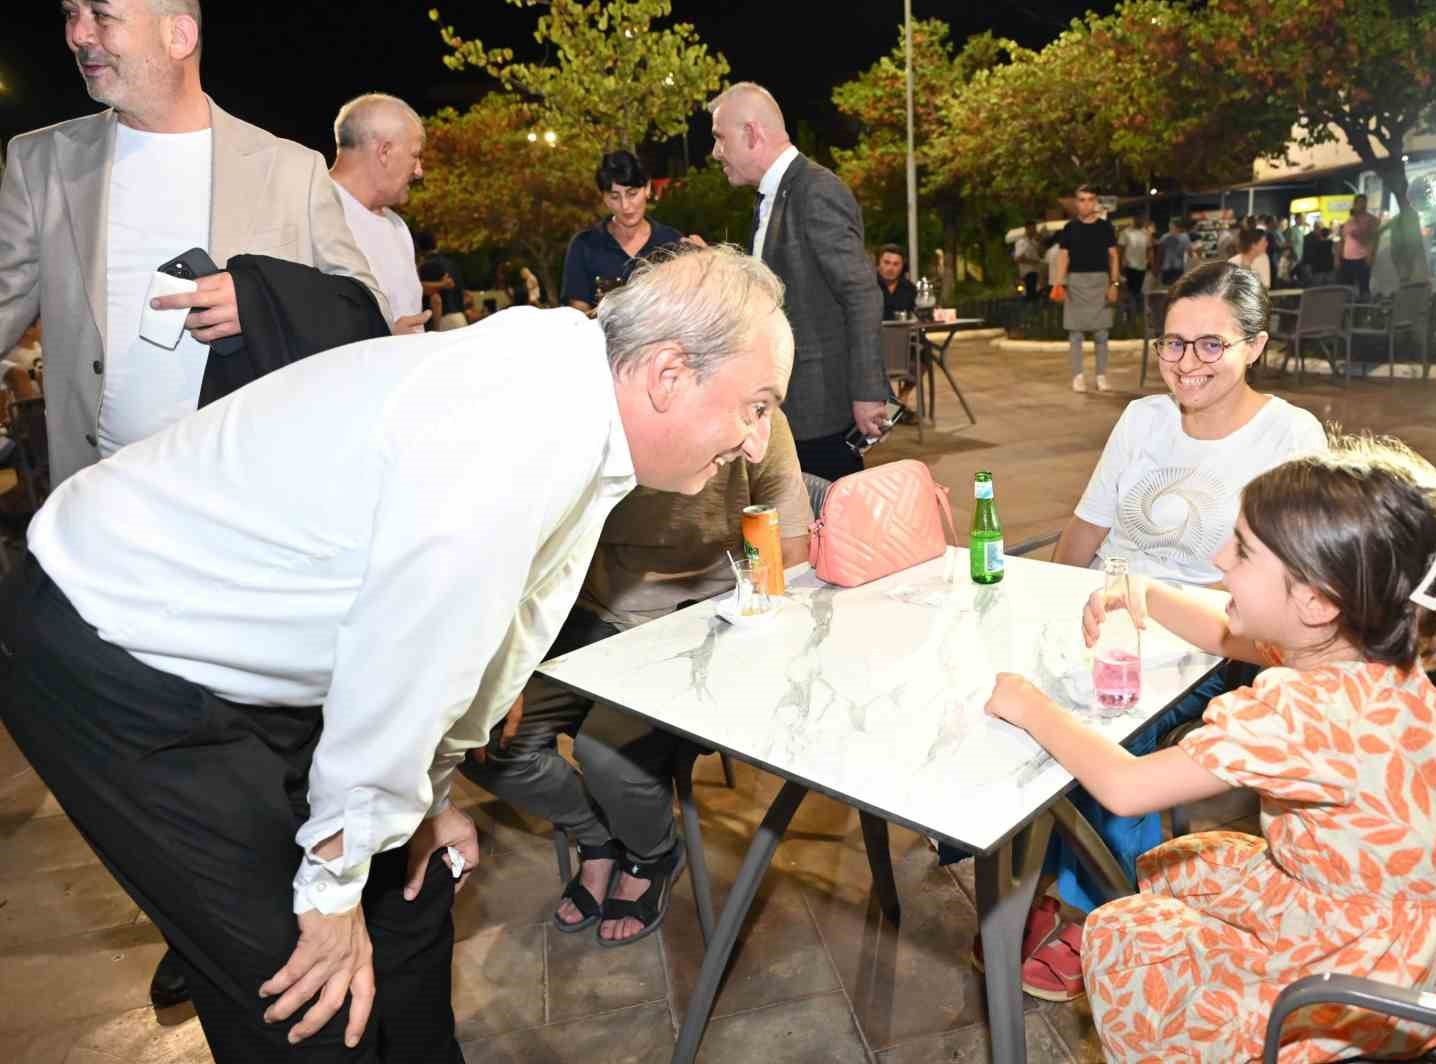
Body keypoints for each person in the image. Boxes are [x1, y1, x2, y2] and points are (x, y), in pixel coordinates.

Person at [0, 243, 794, 1063]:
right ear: (667, 374)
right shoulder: (525, 422)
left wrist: (427, 794)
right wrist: (333, 885)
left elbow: (488, 635)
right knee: (302, 992)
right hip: (113, 649)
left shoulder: (573, 385)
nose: (756, 441)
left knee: (415, 897)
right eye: (756, 406)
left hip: (261, 657)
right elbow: (409, 651)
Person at [987, 435, 1436, 1061]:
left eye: (1241, 549)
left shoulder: (1309, 712)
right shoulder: (1373, 650)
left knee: (1127, 932)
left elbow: (1126, 789)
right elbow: (1229, 633)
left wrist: (1028, 704)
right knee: (1186, 862)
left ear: (1318, 601)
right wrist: (1145, 593)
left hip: (1383, 976)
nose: (1218, 558)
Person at [1016, 263, 1325, 1003]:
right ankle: (1029, 870)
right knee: (1009, 687)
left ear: (1255, 345)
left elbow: (1276, 594)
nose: (1188, 365)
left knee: (1111, 727)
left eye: (1211, 346)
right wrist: (1054, 603)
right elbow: (1088, 526)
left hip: (1210, 638)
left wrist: (1151, 610)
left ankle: (1094, 912)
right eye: (1173, 345)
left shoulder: (1289, 434)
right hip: (1108, 613)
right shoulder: (1143, 419)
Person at [0, 0, 386, 489]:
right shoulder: (40, 162)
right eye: (69, 14)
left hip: (250, 496)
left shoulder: (290, 169)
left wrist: (260, 298)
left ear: (178, 36)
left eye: (101, 15)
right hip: (101, 498)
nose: (78, 34)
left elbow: (367, 308)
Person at [461, 409, 811, 947]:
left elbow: (793, 547)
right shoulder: (592, 418)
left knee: (607, 754)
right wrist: (499, 658)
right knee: (476, 737)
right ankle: (598, 839)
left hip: (703, 619)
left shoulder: (753, 416)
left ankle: (651, 854)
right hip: (588, 613)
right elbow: (520, 548)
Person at [711, 81, 890, 481]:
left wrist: (867, 391)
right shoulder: (773, 197)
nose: (716, 152)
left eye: (720, 139)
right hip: (791, 408)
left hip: (821, 412)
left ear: (752, 133)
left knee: (831, 529)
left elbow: (861, 293)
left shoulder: (816, 190)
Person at [328, 94, 430, 336]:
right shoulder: (311, 209)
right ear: (385, 151)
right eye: (415, 156)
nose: (419, 171)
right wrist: (380, 339)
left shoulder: (398, 226)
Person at [562, 150, 688, 313]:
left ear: (647, 188)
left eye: (632, 194)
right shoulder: (584, 246)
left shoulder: (672, 242)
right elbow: (577, 319)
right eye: (614, 197)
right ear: (604, 198)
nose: (625, 206)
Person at [1050, 185, 1120, 393]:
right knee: (1075, 335)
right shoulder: (1069, 228)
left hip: (1101, 282)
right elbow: (1063, 257)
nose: (1086, 203)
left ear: (1095, 202)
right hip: (1075, 283)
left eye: (1090, 199)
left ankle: (1101, 376)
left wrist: (1114, 284)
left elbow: (1114, 256)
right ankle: (1078, 376)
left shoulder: (1105, 227)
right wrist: (1058, 283)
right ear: (1076, 202)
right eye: (1082, 199)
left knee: (1101, 334)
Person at [415, 231, 467, 331]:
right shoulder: (452, 264)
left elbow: (436, 299)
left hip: (442, 320)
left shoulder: (426, 267)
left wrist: (435, 328)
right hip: (460, 317)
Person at [1337, 194, 1380, 298]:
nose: (1362, 205)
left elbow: (1374, 239)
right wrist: (1338, 257)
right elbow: (1342, 240)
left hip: (1362, 258)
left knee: (1363, 288)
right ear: (1355, 204)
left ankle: (1364, 310)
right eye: (1359, 202)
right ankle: (1351, 310)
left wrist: (1371, 255)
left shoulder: (1372, 220)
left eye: (1364, 202)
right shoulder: (1349, 221)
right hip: (1347, 259)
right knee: (1348, 288)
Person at [877, 243, 917, 320]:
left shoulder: (909, 288)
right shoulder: (867, 287)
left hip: (903, 331)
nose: (890, 268)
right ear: (878, 264)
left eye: (896, 264)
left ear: (902, 267)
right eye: (886, 262)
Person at [1119, 217, 1151, 305]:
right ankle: (1129, 309)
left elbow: (1148, 249)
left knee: (1138, 289)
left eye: (1142, 219)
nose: (1141, 221)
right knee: (1129, 290)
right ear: (1134, 220)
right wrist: (1120, 265)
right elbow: (1120, 250)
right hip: (1129, 266)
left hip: (1142, 266)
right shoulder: (1125, 232)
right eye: (1139, 218)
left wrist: (1149, 262)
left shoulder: (1146, 233)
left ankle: (1135, 309)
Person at [1014, 221, 1043, 300]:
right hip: (1028, 273)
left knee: (1037, 294)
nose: (1034, 231)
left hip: (1036, 272)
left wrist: (1040, 241)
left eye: (1035, 229)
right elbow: (1018, 258)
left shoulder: (1033, 241)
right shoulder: (1022, 242)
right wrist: (1032, 262)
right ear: (1027, 229)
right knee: (1031, 295)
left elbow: (1040, 253)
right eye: (1032, 229)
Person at [1157, 219, 1191, 286]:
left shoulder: (1164, 237)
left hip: (1167, 267)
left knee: (1167, 287)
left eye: (1170, 225)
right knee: (1177, 287)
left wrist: (1158, 265)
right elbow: (1189, 251)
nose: (1169, 227)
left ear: (1175, 226)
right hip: (1178, 267)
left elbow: (1159, 252)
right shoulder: (1185, 237)